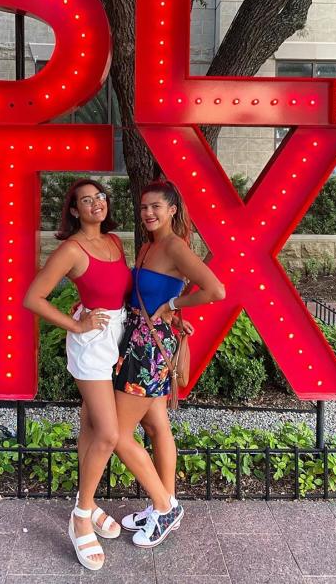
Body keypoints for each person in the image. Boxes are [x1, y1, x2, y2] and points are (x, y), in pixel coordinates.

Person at [23, 179, 132, 571]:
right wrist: (78, 325)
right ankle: (82, 515)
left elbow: (118, 292)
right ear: (73, 210)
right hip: (91, 346)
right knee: (108, 433)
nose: (95, 204)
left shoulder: (115, 242)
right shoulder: (71, 249)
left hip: (117, 339)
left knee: (90, 425)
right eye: (85, 200)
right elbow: (32, 298)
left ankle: (86, 501)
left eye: (99, 197)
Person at [113, 180, 226, 548]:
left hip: (149, 348)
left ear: (172, 210)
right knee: (157, 425)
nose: (148, 212)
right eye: (144, 206)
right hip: (140, 338)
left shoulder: (174, 246)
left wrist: (174, 308)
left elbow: (215, 290)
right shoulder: (148, 246)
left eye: (156, 207)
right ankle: (167, 504)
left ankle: (165, 507)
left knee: (115, 434)